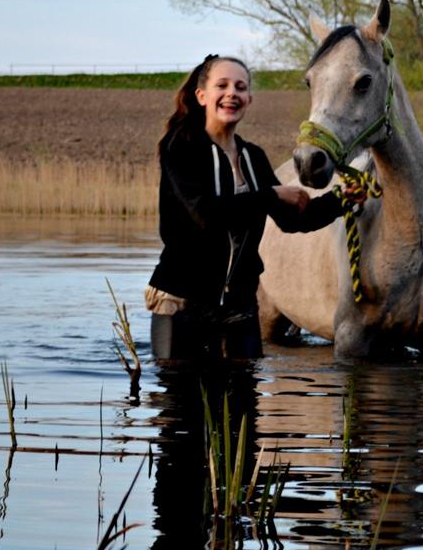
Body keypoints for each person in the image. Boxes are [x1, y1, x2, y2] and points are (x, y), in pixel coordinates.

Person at [146, 54, 345, 360]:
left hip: (240, 306)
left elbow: (294, 222)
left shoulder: (253, 157)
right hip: (182, 303)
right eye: (222, 85)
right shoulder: (181, 147)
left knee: (244, 406)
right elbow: (206, 216)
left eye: (240, 87)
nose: (232, 94)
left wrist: (343, 200)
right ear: (202, 96)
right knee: (181, 405)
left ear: (249, 99)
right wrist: (272, 195)